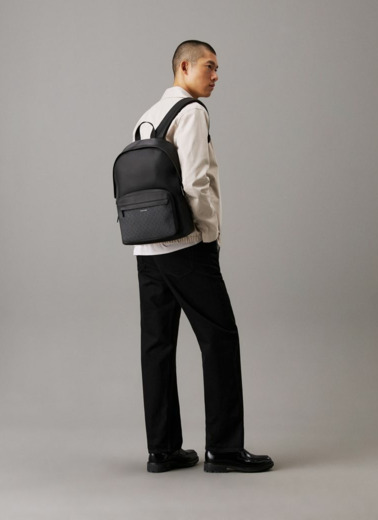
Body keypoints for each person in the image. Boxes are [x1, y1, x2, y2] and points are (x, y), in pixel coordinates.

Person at [132, 40, 274, 473]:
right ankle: (225, 450)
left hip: (146, 245)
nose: (215, 76)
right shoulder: (191, 112)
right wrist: (208, 236)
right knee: (220, 338)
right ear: (184, 66)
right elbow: (195, 183)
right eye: (209, 67)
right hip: (185, 245)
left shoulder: (147, 115)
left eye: (217, 69)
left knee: (157, 345)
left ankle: (162, 450)